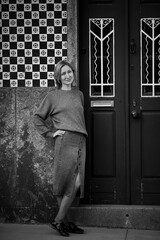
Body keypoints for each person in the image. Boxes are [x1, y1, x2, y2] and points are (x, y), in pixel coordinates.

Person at [33, 60, 87, 237]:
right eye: (63, 73)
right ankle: (59, 222)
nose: (67, 76)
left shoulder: (79, 94)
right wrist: (50, 133)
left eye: (69, 72)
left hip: (80, 140)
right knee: (64, 182)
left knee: (77, 182)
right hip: (64, 141)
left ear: (73, 73)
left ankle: (62, 222)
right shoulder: (52, 96)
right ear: (58, 77)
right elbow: (38, 118)